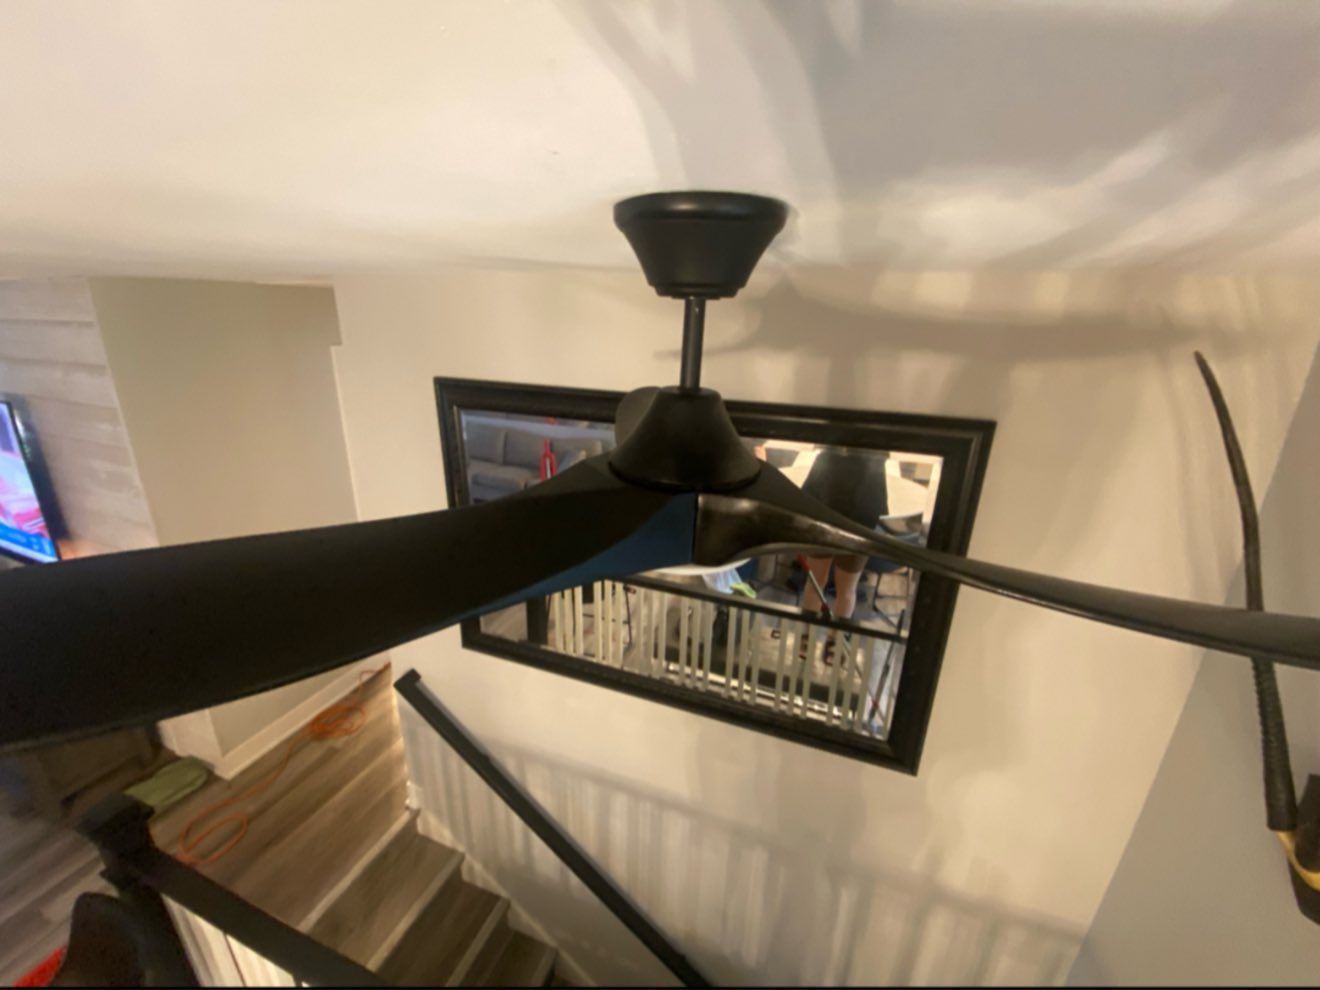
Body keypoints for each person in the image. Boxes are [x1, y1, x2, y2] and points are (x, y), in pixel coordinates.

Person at [798, 446, 889, 620]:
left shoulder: (833, 449)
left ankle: (807, 635)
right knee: (843, 589)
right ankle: (830, 637)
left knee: (818, 584)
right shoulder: (874, 451)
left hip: (831, 508)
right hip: (857, 513)